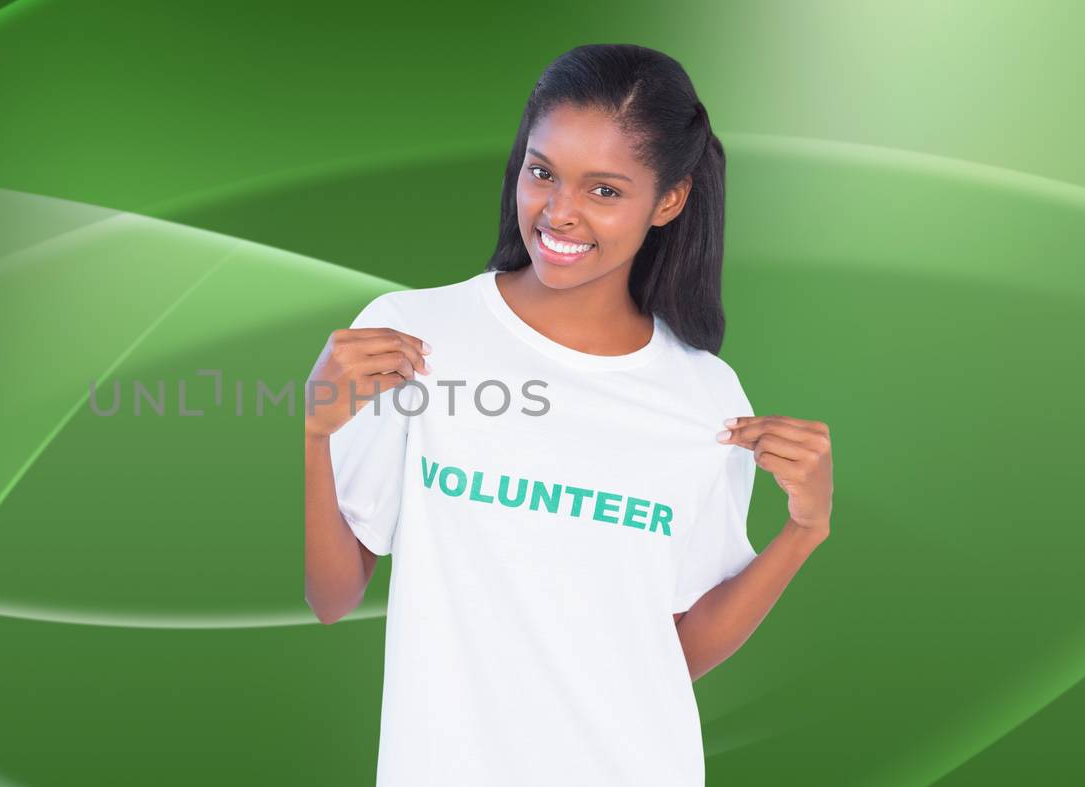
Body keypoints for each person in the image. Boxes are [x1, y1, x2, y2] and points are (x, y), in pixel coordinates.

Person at [302, 43, 834, 787]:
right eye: (542, 170)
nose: (558, 211)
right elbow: (333, 598)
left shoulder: (705, 397)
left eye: (605, 190)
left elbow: (671, 651)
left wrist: (804, 531)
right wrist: (317, 431)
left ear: (670, 200)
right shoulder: (417, 339)